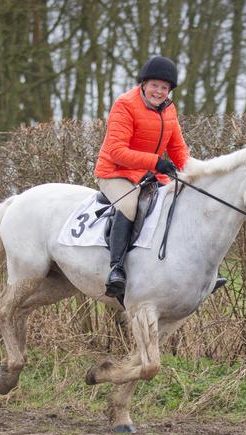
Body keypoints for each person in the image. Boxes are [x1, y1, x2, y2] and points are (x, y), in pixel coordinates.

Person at [94, 55, 188, 297]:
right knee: (130, 204)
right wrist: (156, 162)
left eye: (164, 87)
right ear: (144, 84)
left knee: (180, 202)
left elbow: (177, 148)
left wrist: (193, 172)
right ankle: (116, 269)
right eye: (155, 85)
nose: (159, 91)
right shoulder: (125, 104)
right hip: (115, 172)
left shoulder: (169, 110)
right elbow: (117, 151)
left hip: (149, 173)